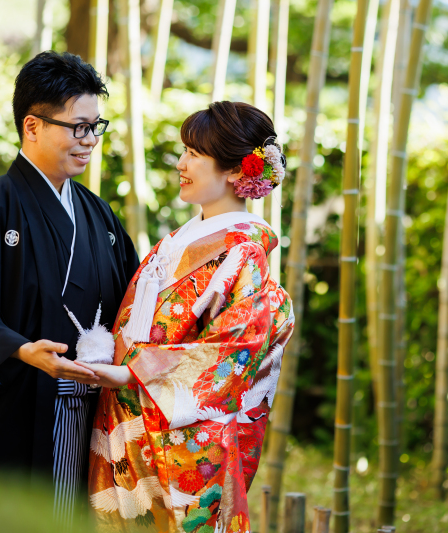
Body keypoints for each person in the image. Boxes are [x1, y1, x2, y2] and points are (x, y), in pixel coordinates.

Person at [0, 51, 140, 522]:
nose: (89, 140)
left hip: (92, 408)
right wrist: (23, 350)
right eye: (77, 127)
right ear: (32, 126)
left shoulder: (98, 214)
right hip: (22, 404)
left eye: (95, 126)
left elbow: (135, 298)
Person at [78, 101, 295, 533]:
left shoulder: (243, 251)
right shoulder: (181, 239)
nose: (181, 163)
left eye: (195, 154)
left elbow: (233, 351)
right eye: (184, 151)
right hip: (129, 420)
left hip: (180, 436)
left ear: (236, 170)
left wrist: (134, 374)